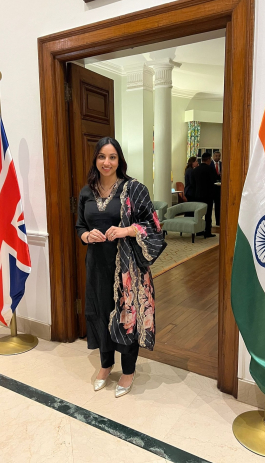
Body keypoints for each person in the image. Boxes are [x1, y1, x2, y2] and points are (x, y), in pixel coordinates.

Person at [76, 137, 165, 398]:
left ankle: (128, 370)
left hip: (126, 269)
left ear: (119, 160)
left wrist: (127, 230)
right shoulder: (86, 192)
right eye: (102, 156)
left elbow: (154, 225)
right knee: (101, 312)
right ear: (96, 159)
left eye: (112, 157)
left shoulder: (133, 189)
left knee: (127, 316)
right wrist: (86, 236)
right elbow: (80, 226)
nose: (107, 162)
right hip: (96, 265)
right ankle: (105, 365)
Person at [191, 152, 217, 238]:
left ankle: (199, 231)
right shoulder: (210, 169)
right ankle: (207, 232)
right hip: (208, 195)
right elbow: (214, 180)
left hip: (198, 195)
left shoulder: (195, 170)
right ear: (209, 159)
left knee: (199, 214)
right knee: (208, 214)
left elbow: (193, 183)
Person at [210, 150, 222, 226]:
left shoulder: (222, 164)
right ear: (213, 156)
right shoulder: (210, 164)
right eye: (216, 156)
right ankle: (209, 223)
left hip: (219, 188)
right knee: (210, 206)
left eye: (219, 156)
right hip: (211, 188)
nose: (217, 157)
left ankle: (218, 222)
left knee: (218, 206)